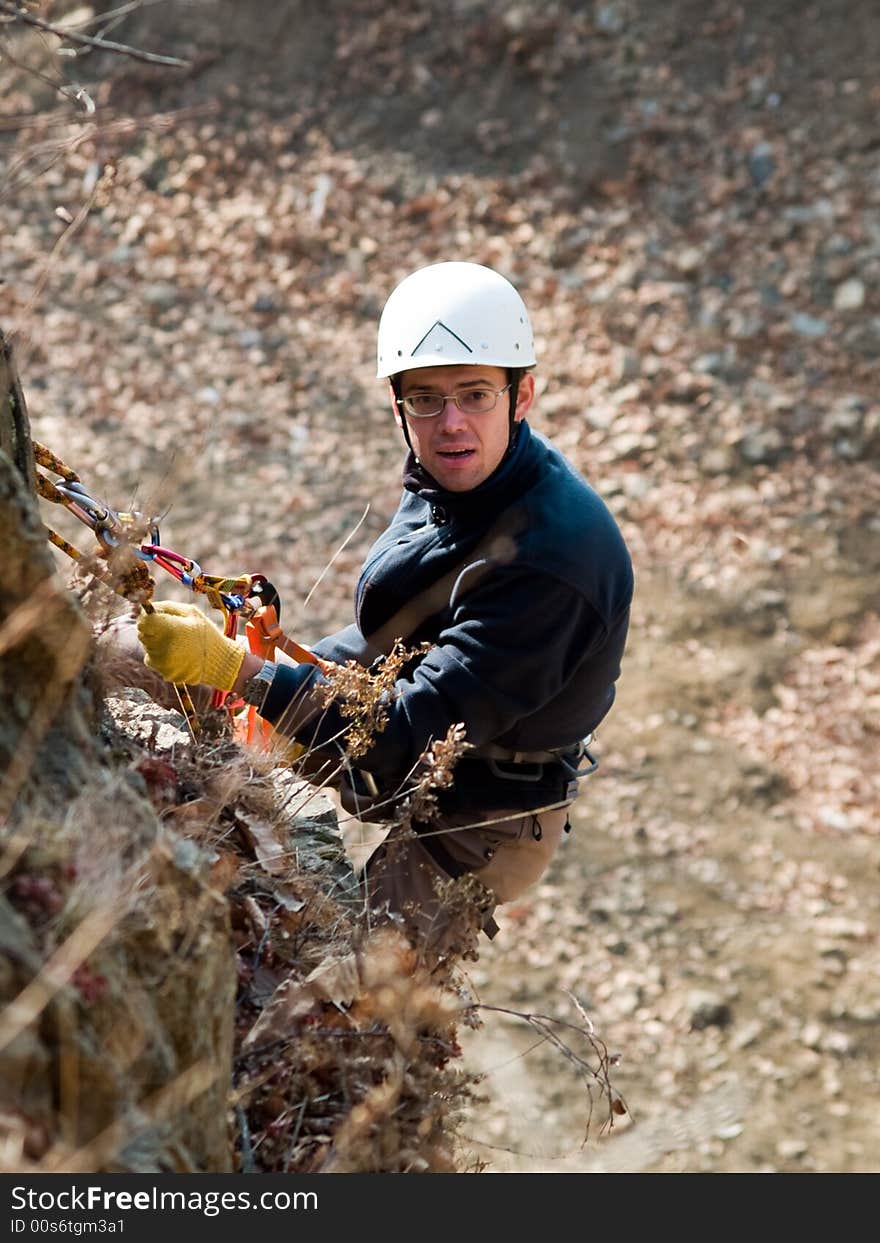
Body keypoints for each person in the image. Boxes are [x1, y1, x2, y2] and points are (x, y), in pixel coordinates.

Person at [136, 261, 634, 952]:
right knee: (134, 663)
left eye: (476, 394)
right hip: (402, 720)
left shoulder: (555, 558)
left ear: (524, 397)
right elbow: (395, 635)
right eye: (425, 398)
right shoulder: (456, 478)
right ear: (398, 406)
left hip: (482, 819)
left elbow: (414, 730)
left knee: (336, 1002)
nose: (451, 422)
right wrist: (277, 672)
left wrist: (240, 669)